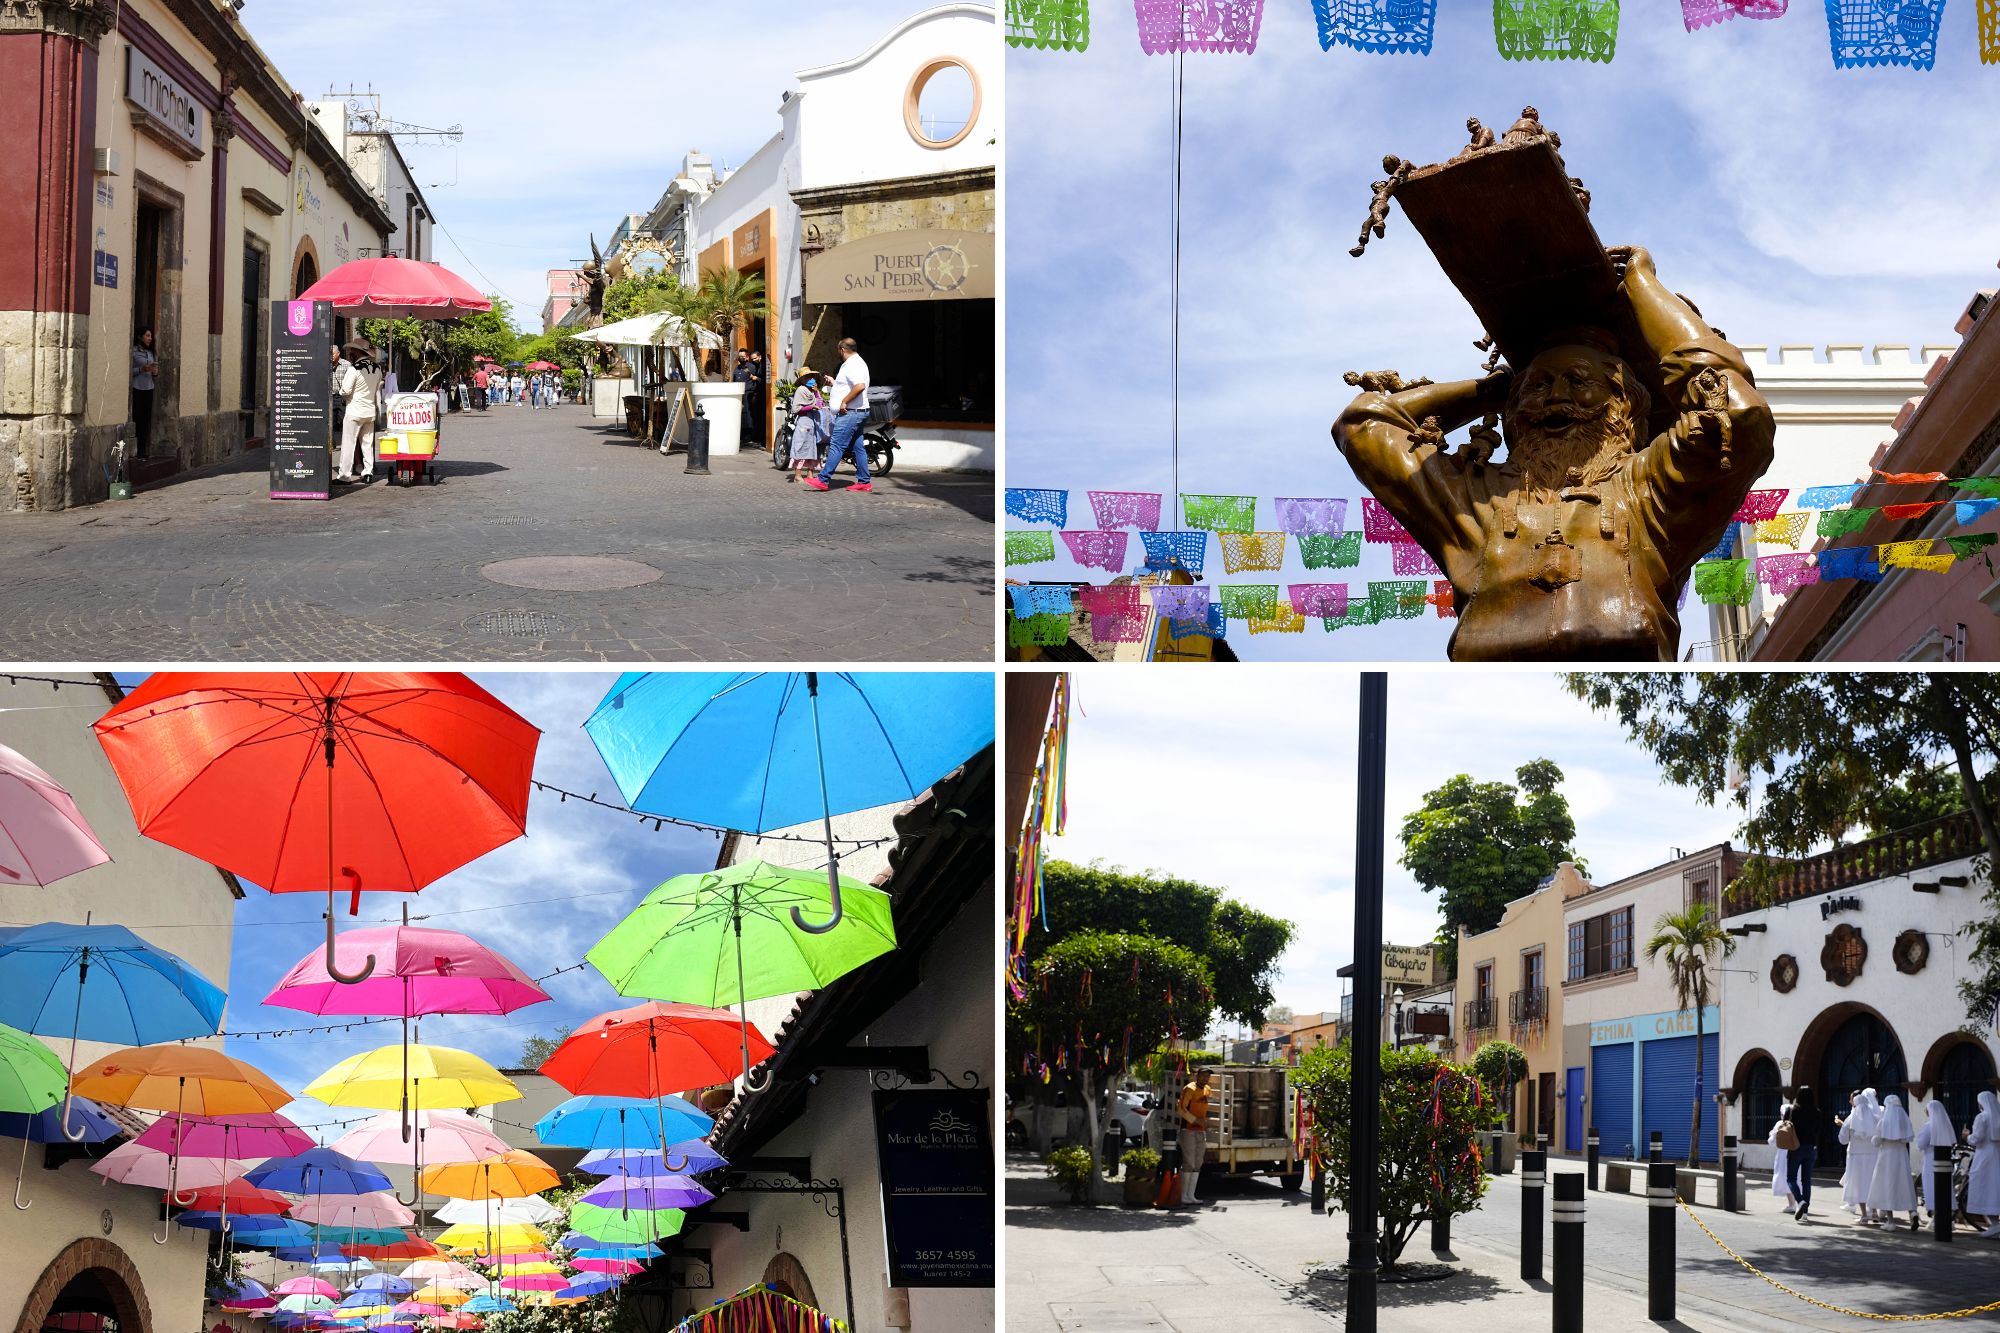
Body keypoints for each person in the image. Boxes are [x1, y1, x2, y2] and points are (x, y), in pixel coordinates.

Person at [803, 337, 873, 493]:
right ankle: (864, 482)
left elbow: (859, 386)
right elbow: (850, 385)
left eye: (837, 350)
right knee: (858, 447)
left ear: (842, 349)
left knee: (836, 445)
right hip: (857, 411)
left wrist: (844, 402)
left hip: (850, 412)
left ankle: (823, 479)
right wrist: (835, 383)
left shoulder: (852, 364)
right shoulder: (856, 363)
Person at [331, 341, 381, 484]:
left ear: (357, 352)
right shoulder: (377, 368)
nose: (350, 353)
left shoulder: (354, 369)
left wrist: (341, 392)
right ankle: (368, 473)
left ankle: (345, 475)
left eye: (352, 350)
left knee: (348, 444)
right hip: (370, 411)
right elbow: (377, 387)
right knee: (367, 444)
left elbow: (345, 391)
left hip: (354, 411)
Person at [1869, 1094, 1920, 1230]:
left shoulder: (1884, 1121)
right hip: (1901, 1156)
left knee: (1887, 1186)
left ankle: (1890, 1221)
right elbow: (1907, 1138)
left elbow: (1876, 1141)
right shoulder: (1905, 1119)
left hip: (1886, 1156)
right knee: (1904, 1184)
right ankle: (1913, 1212)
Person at [1175, 1067, 1213, 1206]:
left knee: (1198, 1163)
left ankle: (1191, 1195)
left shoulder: (1207, 1089)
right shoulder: (1189, 1088)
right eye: (1203, 1075)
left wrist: (1204, 1122)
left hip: (1200, 1131)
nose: (1205, 1078)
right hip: (1188, 1130)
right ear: (1197, 1076)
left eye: (1207, 1076)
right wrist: (1195, 1120)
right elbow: (1180, 1108)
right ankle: (1183, 1195)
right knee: (1189, 1162)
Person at [1915, 1097, 1955, 1222]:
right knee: (1945, 1187)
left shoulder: (1928, 1126)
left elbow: (1920, 1144)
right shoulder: (1947, 1125)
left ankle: (1937, 1217)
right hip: (1945, 1160)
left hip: (1930, 1159)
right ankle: (1947, 1218)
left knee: (1932, 1187)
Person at [787, 372, 831, 483]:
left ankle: (810, 474)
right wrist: (811, 407)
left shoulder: (813, 391)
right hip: (804, 422)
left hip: (814, 422)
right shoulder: (801, 390)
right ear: (802, 380)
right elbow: (796, 408)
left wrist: (816, 392)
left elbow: (820, 404)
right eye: (807, 377)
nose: (811, 379)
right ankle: (798, 475)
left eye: (812, 377)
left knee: (815, 448)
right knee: (801, 447)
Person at [1784, 1086, 1818, 1221]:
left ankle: (1800, 1201)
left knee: (1791, 1178)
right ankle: (1805, 1213)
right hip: (1811, 1147)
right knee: (1806, 1181)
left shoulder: (1792, 1110)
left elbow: (1784, 1124)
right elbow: (1819, 1130)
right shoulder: (1816, 1111)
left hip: (1795, 1147)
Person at [1970, 1090, 2000, 1238]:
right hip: (1997, 1155)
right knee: (1996, 1186)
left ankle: (1994, 1223)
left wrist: (1966, 1136)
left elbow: (1976, 1138)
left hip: (1984, 1156)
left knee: (1986, 1187)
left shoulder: (1982, 1117)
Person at [130, 328, 158, 455]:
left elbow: (154, 372)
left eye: (151, 335)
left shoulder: (150, 353)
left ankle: (143, 449)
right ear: (140, 337)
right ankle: (136, 450)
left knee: (146, 420)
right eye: (147, 335)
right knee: (138, 419)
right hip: (137, 388)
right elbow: (129, 371)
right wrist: (140, 370)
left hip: (149, 388)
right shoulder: (134, 352)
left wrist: (155, 372)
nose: (150, 338)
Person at [1770, 1096, 1796, 1213]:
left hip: (1782, 1154)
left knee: (1784, 1177)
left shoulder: (1780, 1124)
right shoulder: (1796, 1124)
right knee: (1796, 1178)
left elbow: (1771, 1141)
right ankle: (1797, 1202)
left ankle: (1791, 1204)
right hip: (1795, 1152)